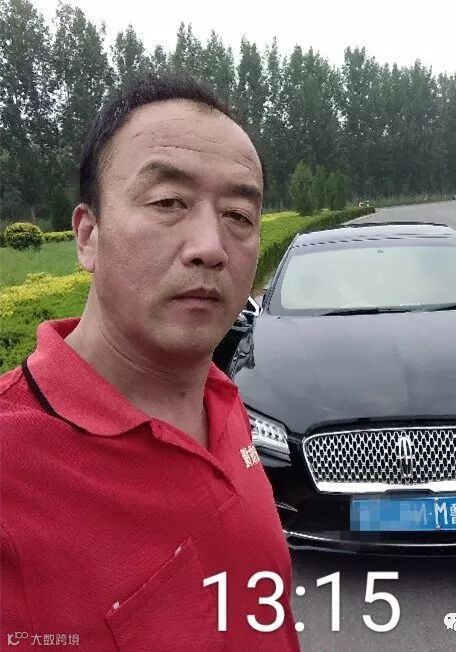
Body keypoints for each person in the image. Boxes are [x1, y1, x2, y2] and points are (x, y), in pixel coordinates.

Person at [0, 76, 301, 651]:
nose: (211, 247)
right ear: (88, 236)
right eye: (168, 203)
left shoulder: (223, 397)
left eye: (239, 215)